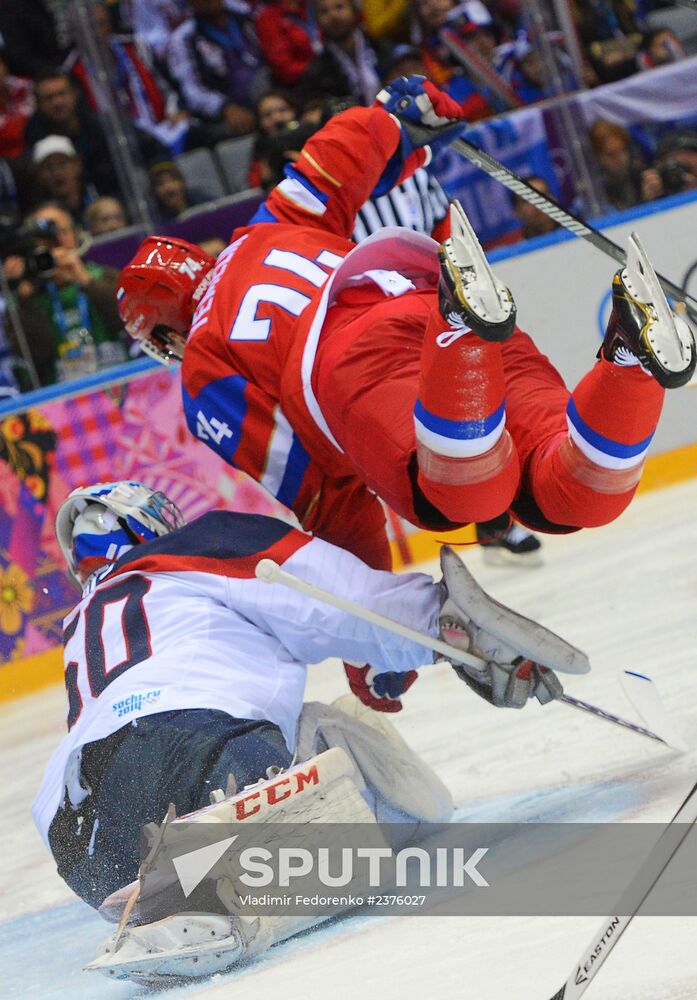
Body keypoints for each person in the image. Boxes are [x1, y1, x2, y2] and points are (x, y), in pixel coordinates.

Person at [116, 77, 695, 687]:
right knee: (562, 492)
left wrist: (377, 641)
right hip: (410, 291)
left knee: (453, 496)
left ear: (165, 334)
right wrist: (396, 122)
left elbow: (327, 496)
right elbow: (332, 159)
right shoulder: (268, 228)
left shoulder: (204, 368)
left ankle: (461, 333)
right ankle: (627, 357)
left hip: (354, 360)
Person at [34, 479, 583, 949]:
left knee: (217, 776)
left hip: (77, 823)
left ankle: (165, 878)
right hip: (198, 751)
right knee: (373, 769)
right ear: (149, 523)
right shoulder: (200, 545)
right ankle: (209, 866)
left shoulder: (79, 621)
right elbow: (342, 597)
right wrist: (457, 633)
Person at [4, 201, 127, 386]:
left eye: (61, 232)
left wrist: (86, 282)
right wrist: (25, 298)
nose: (54, 244)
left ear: (75, 235)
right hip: (63, 402)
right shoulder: (23, 299)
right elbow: (35, 356)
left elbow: (129, 323)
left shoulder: (103, 276)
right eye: (43, 239)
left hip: (123, 385)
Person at [165, 0, 269, 140]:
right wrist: (224, 107)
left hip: (269, 96)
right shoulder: (183, 38)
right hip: (227, 112)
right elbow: (192, 91)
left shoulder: (247, 17)